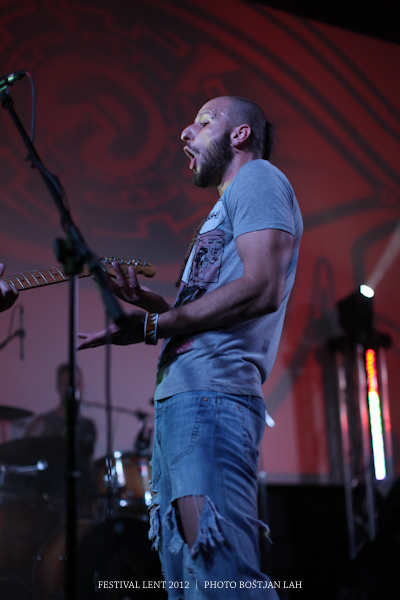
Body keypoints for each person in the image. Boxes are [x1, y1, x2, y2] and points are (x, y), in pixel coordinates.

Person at [78, 96, 303, 598]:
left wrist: (156, 323)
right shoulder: (223, 208)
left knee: (223, 576)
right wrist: (153, 308)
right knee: (192, 581)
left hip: (212, 396)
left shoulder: (257, 178)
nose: (185, 132)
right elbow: (208, 309)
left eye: (204, 122)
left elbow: (261, 287)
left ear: (240, 134)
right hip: (187, 399)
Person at [25, 363, 97, 515]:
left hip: (82, 499)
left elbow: (89, 464)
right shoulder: (44, 423)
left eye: (76, 384)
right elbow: (25, 454)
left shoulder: (88, 425)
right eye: (66, 385)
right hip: (51, 500)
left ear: (82, 386)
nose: (72, 389)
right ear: (58, 387)